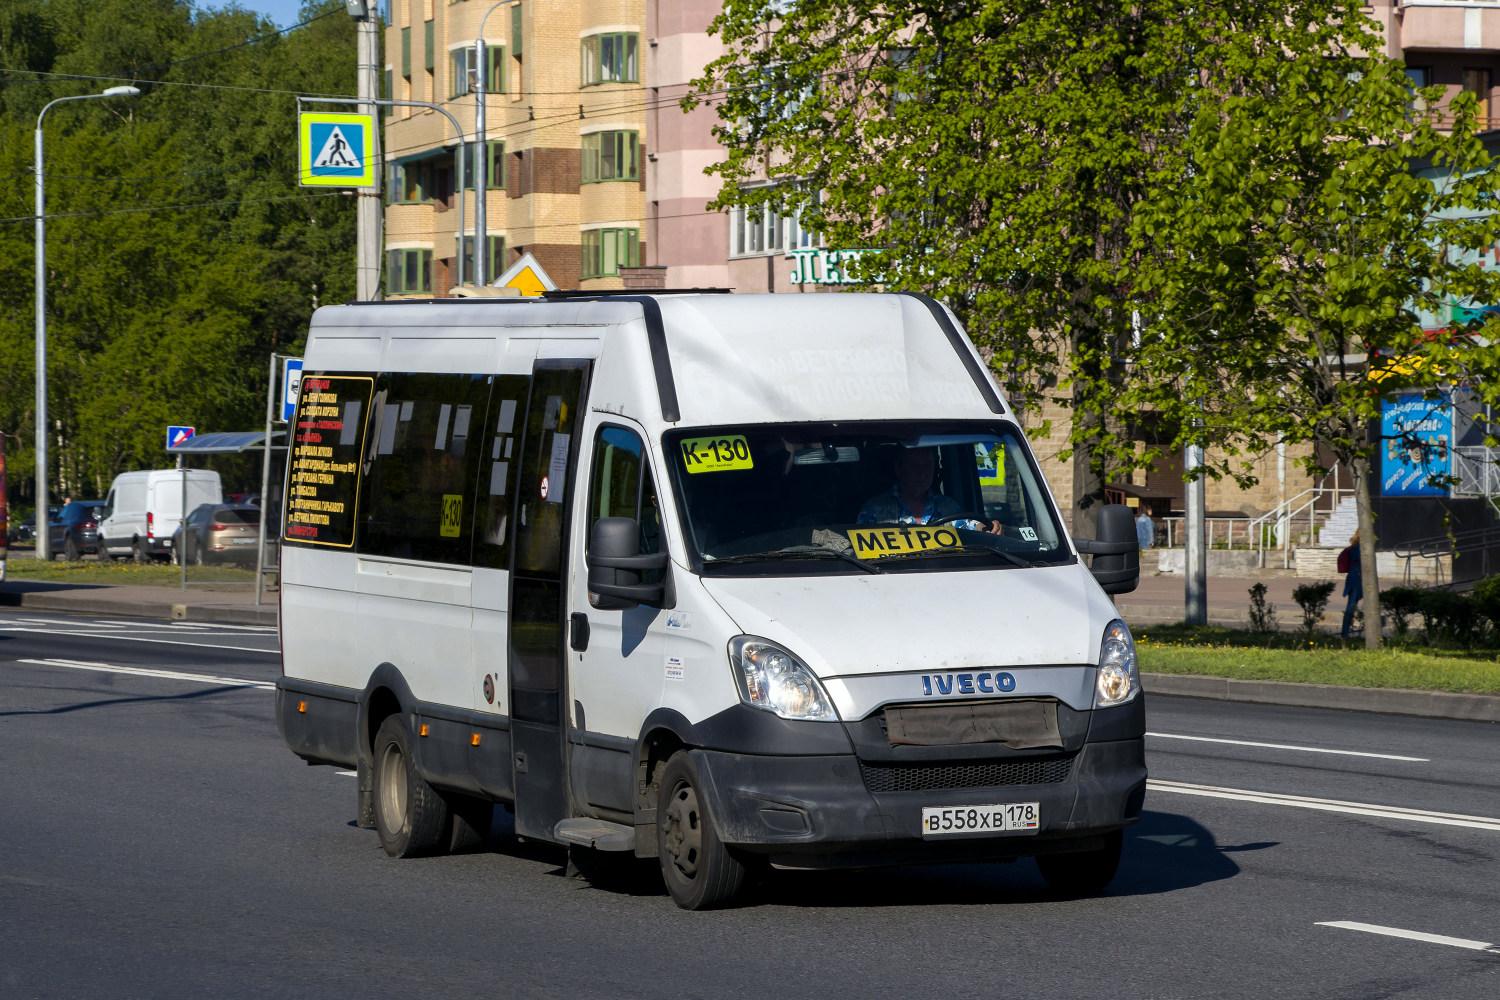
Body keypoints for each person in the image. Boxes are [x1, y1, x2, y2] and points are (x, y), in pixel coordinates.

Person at [858, 447, 1002, 532]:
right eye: (915, 466)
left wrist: (990, 528)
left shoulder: (947, 507)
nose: (923, 472)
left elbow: (970, 528)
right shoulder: (874, 510)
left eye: (928, 464)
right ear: (898, 469)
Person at [1339, 531, 1362, 639]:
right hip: (1357, 577)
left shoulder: (1355, 545)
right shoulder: (1360, 547)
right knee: (1351, 605)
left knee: (1351, 605)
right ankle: (1345, 633)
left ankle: (1346, 631)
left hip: (1354, 576)